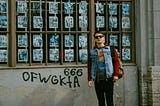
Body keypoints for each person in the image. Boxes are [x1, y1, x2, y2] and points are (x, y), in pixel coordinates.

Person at [88, 31, 121, 106]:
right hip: (98, 79)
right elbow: (89, 65)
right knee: (100, 101)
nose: (99, 38)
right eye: (96, 37)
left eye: (100, 36)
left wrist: (116, 75)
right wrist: (89, 79)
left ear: (104, 38)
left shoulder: (111, 49)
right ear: (94, 39)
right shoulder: (92, 52)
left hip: (109, 79)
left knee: (110, 101)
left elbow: (116, 62)